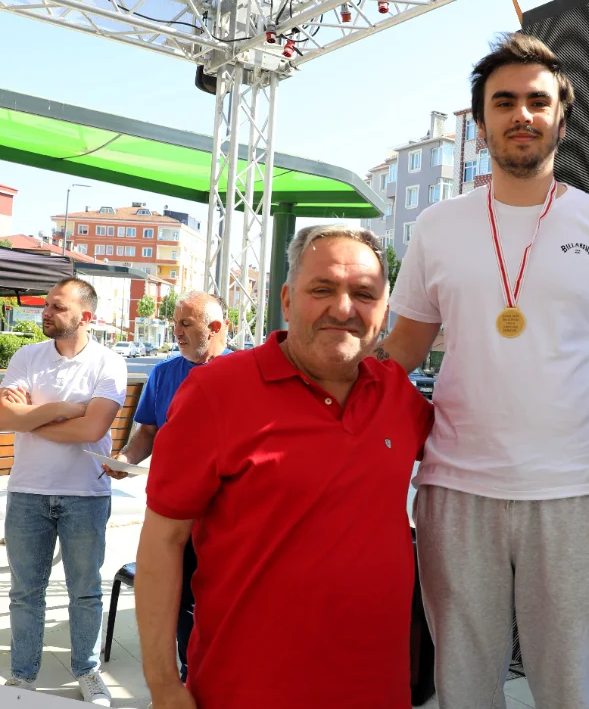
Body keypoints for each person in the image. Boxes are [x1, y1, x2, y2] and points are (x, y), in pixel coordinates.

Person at [373, 32, 589, 708]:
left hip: (578, 495)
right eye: (504, 101)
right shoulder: (437, 227)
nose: (522, 115)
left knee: (569, 689)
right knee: (463, 689)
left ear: (561, 120)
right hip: (456, 490)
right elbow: (402, 350)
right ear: (481, 123)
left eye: (538, 102)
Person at [135, 226, 433, 709]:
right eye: (323, 289)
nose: (343, 308)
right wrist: (164, 686)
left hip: (378, 688)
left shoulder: (398, 396)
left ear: (384, 311)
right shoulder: (215, 392)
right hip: (246, 690)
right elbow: (161, 543)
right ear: (288, 301)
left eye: (364, 294)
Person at [0, 277, 127, 704]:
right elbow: (3, 419)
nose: (46, 312)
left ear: (85, 316)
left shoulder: (109, 363)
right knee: (25, 593)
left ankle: (87, 671)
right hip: (27, 492)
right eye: (47, 305)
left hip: (85, 494)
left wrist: (29, 417)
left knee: (85, 592)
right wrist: (60, 410)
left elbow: (92, 429)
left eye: (57, 306)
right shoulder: (27, 356)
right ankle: (22, 677)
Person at [105, 291, 231, 684]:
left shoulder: (245, 374)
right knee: (180, 599)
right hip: (174, 513)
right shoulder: (163, 374)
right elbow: (147, 433)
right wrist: (125, 459)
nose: (175, 331)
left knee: (227, 598)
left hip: (230, 516)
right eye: (175, 322)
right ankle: (188, 677)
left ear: (214, 328)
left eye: (185, 324)